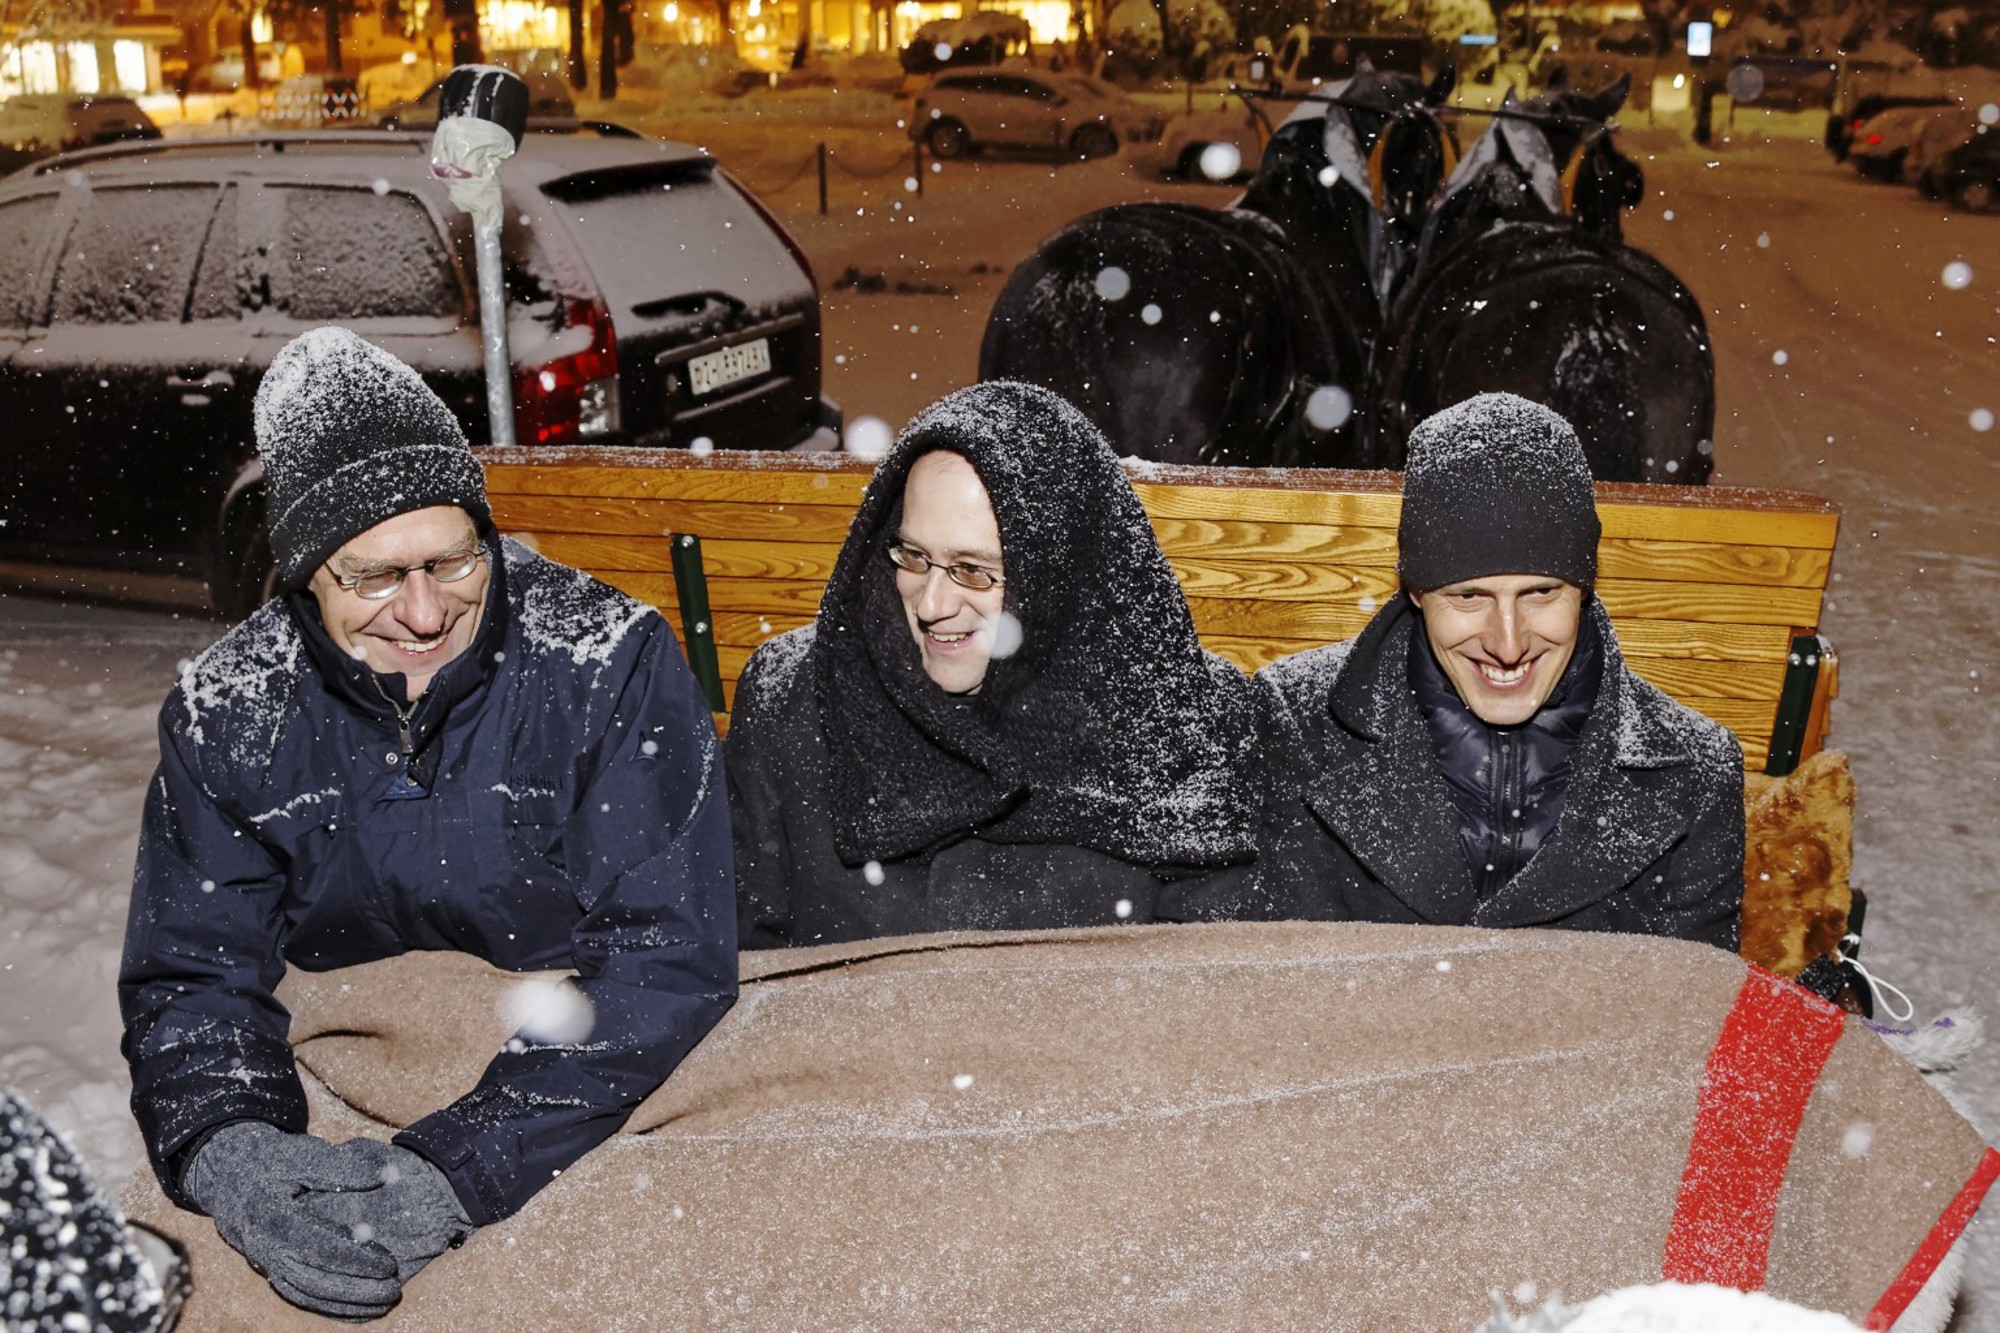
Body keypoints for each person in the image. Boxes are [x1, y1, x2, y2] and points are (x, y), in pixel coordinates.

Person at [117, 327, 735, 1320]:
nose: (422, 612)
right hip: (329, 1068)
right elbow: (194, 971)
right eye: (372, 576)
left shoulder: (606, 664)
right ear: (303, 574)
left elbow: (663, 958)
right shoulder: (228, 711)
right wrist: (229, 1146)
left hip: (573, 1080)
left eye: (452, 561)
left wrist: (460, 1166)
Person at [727, 380, 1259, 948]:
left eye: (974, 571)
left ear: (1058, 579)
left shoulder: (1179, 719)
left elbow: (1205, 979)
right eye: (914, 557)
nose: (931, 606)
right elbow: (741, 958)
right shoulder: (795, 699)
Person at [1253, 392, 1745, 945]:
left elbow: (1694, 991)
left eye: (1541, 592)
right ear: (1416, 592)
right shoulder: (1292, 724)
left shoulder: (1699, 772)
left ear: (1583, 589)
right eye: (1469, 597)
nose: (1507, 644)